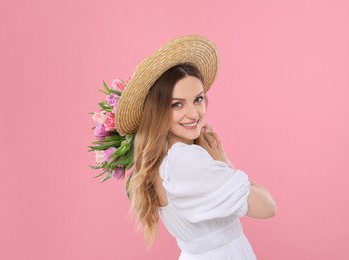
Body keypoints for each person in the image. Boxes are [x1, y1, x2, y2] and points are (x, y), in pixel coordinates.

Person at [114, 35, 276, 260]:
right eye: (177, 104)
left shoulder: (164, 159)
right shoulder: (184, 161)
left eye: (198, 99)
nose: (193, 113)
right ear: (157, 110)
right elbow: (268, 207)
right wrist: (224, 162)